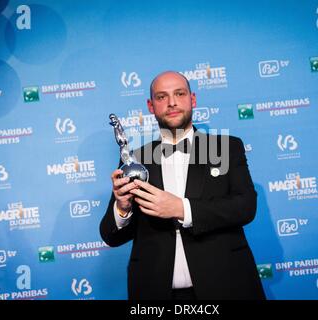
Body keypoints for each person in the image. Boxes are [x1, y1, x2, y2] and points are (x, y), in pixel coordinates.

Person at [100, 71, 266, 300]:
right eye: (161, 97)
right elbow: (111, 236)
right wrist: (122, 208)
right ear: (151, 105)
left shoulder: (226, 148)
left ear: (193, 99)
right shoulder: (135, 158)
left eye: (179, 93)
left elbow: (245, 206)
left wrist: (181, 209)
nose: (172, 102)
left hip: (226, 287)